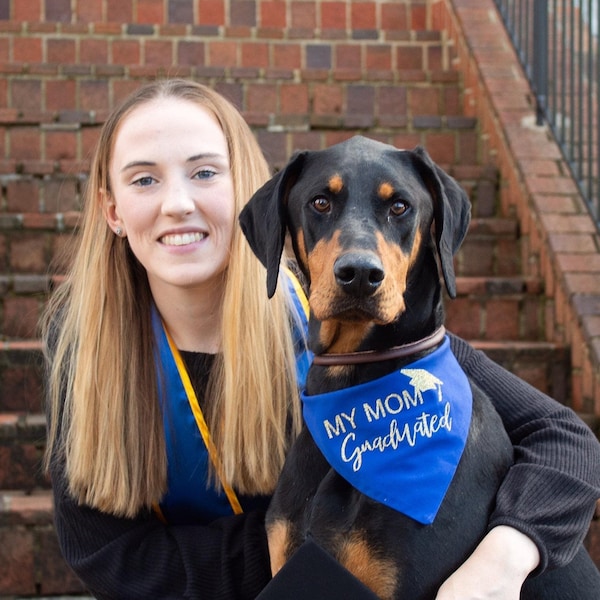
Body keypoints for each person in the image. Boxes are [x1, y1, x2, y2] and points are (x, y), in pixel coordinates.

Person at [41, 78, 600, 600]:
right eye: (144, 178)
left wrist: (500, 560)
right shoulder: (87, 354)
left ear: (247, 195)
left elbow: (564, 438)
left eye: (205, 173)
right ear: (111, 209)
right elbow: (108, 556)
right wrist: (298, 553)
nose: (178, 202)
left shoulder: (372, 345)